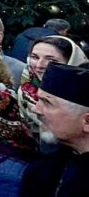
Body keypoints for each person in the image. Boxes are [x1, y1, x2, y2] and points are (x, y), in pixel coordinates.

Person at [22, 62, 89, 196]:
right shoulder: (44, 169)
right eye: (38, 100)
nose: (36, 109)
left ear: (87, 122)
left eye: (47, 103)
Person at [19, 36, 87, 144]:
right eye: (35, 57)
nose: (39, 65)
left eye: (51, 60)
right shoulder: (26, 87)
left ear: (70, 61)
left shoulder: (83, 93)